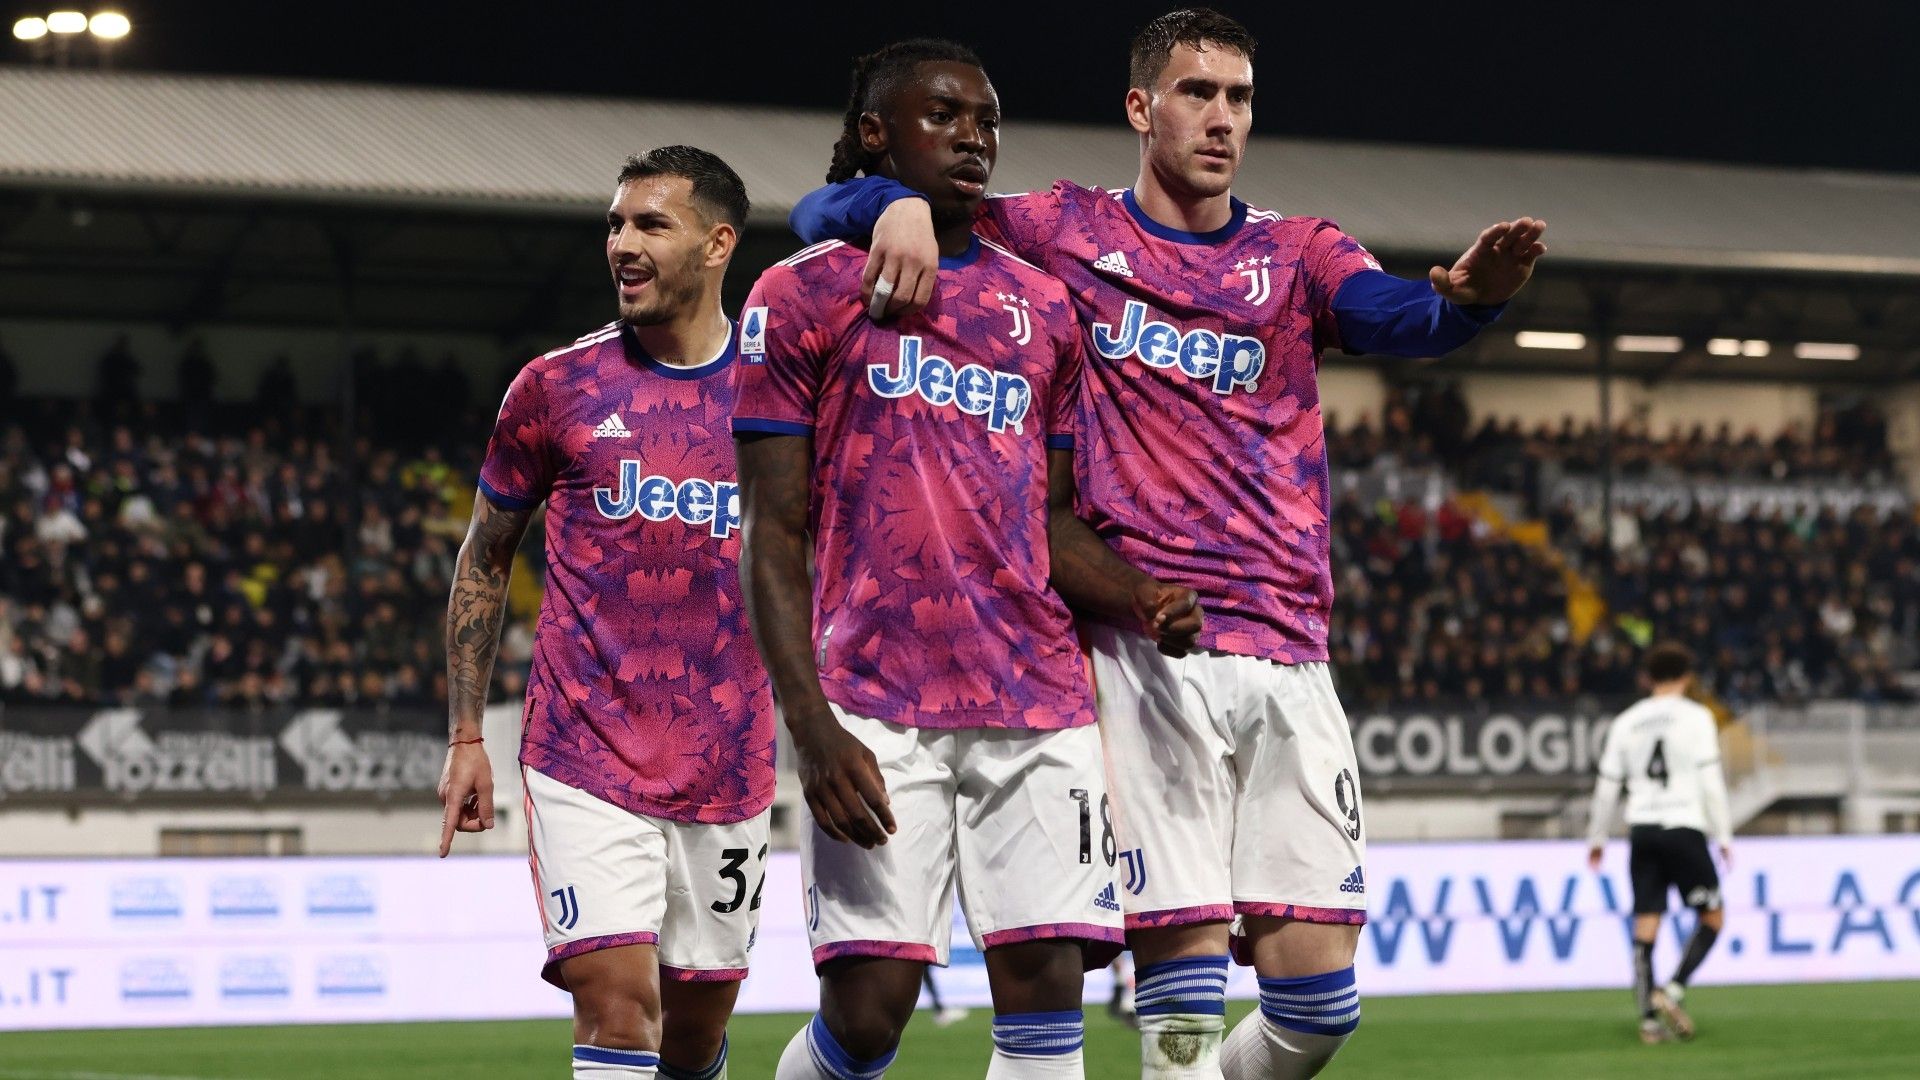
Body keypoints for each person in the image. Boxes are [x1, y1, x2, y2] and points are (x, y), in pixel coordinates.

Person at [788, 10, 1546, 1078]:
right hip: (1145, 644)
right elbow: (817, 206)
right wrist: (893, 202)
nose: (1222, 118)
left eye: (1239, 97)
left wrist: (1462, 303)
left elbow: (1389, 314)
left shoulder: (1296, 252)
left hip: (1289, 647)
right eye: (1199, 93)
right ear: (1142, 108)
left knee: (1319, 1011)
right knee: (1180, 990)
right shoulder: (1063, 230)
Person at [734, 39, 1200, 1080]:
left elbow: (1052, 519)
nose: (974, 136)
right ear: (875, 134)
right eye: (943, 115)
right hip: (873, 698)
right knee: (868, 1017)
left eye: (987, 120)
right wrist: (808, 729)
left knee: (1045, 1001)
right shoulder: (800, 295)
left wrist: (1136, 595)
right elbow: (770, 531)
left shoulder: (1042, 310)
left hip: (1036, 700)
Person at [438, 146, 772, 1080]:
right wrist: (467, 734)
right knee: (620, 1011)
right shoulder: (555, 387)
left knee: (695, 1035)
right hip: (586, 750)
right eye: (615, 224)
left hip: (730, 759)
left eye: (649, 225)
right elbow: (484, 557)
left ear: (717, 243)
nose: (622, 244)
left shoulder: (783, 393)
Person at [1587, 642, 1731, 1044]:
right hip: (1684, 826)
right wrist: (1723, 835)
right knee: (1712, 917)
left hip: (1644, 831)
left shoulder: (1626, 722)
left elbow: (1606, 787)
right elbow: (1710, 782)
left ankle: (1648, 1020)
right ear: (1687, 676)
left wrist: (1597, 838)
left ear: (1648, 678)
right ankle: (1672, 989)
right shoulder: (1698, 718)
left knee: (1646, 924)